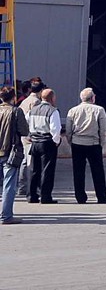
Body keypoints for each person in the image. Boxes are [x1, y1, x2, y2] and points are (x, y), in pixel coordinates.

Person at [67, 88, 106, 204]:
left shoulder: (72, 111)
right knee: (98, 171)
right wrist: (101, 142)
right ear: (93, 98)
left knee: (78, 171)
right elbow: (103, 129)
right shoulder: (99, 110)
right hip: (93, 143)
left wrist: (71, 141)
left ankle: (80, 197)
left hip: (77, 143)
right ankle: (102, 196)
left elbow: (68, 130)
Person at [1, 85, 30, 225]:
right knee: (9, 185)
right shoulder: (16, 111)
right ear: (14, 98)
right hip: (9, 152)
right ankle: (6, 216)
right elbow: (24, 131)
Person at [27, 88, 61, 204]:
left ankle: (32, 195)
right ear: (52, 98)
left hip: (35, 142)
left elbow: (26, 122)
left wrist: (31, 135)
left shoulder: (33, 110)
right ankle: (45, 196)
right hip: (47, 142)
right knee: (47, 170)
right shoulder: (53, 111)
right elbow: (55, 129)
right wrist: (56, 141)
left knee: (35, 169)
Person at [16, 77, 44, 197]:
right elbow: (34, 119)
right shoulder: (36, 102)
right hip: (31, 136)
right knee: (31, 164)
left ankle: (22, 187)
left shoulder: (25, 101)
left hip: (23, 135)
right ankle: (31, 189)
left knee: (24, 162)